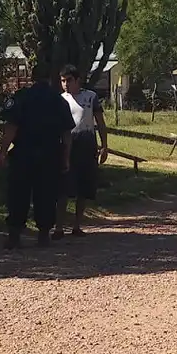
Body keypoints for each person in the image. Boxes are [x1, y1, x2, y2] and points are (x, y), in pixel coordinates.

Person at [0, 64, 74, 250]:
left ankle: (14, 234)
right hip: (50, 154)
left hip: (23, 153)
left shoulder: (21, 97)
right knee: (46, 194)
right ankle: (43, 234)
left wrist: (2, 152)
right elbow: (66, 135)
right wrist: (66, 158)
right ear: (51, 78)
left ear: (31, 77)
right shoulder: (59, 101)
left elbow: (11, 128)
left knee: (18, 194)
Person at [54, 64, 109, 239]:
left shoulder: (90, 97)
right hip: (67, 147)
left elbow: (100, 122)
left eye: (69, 80)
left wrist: (104, 145)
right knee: (63, 189)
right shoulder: (60, 100)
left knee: (84, 189)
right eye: (62, 81)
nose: (66, 84)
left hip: (87, 145)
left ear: (78, 80)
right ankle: (59, 228)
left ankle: (77, 226)